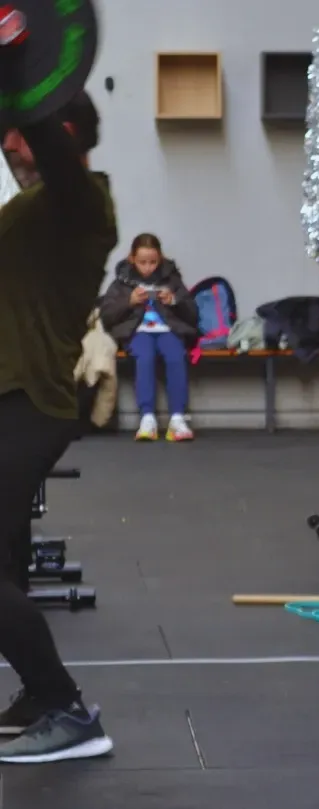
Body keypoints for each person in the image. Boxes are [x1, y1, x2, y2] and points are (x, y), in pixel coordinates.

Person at [0, 95, 117, 764]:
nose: (11, 148)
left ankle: (69, 709)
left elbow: (51, 153)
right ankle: (43, 700)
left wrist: (23, 75)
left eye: (23, 136)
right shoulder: (33, 211)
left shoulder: (82, 204)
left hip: (31, 403)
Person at [99, 232, 198, 443]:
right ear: (132, 258)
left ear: (160, 258)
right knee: (144, 358)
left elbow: (193, 314)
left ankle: (178, 419)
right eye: (143, 262)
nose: (148, 267)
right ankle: (147, 418)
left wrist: (173, 300)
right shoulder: (121, 283)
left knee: (176, 355)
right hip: (137, 332)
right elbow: (106, 315)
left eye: (153, 262)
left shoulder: (172, 280)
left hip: (168, 330)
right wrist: (130, 301)